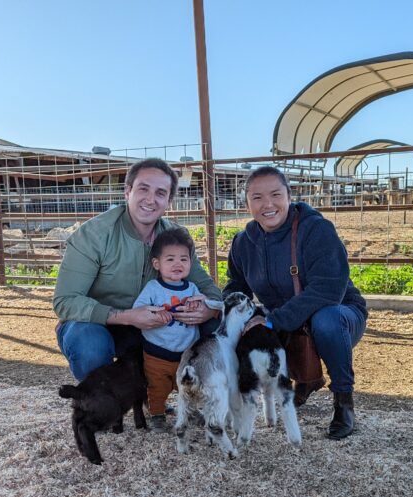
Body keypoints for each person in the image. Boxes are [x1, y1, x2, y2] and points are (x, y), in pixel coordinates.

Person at [224, 166, 368, 440]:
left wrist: (271, 320)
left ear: (290, 195)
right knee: (245, 326)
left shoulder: (316, 230)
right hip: (284, 319)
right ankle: (301, 379)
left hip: (338, 313)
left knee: (325, 320)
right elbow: (235, 285)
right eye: (257, 198)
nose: (268, 204)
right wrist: (228, 311)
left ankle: (343, 402)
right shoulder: (243, 242)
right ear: (247, 203)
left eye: (276, 194)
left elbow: (327, 289)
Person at [53, 158, 221, 382]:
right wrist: (126, 316)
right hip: (99, 323)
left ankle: (191, 398)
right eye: (143, 189)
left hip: (152, 324)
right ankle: (100, 406)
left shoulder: (175, 239)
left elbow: (209, 288)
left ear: (168, 201)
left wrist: (208, 309)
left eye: (161, 193)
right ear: (127, 191)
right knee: (89, 343)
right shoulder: (94, 234)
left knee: (216, 324)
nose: (150, 199)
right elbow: (65, 301)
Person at [132, 228, 207, 433]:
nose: (178, 264)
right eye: (171, 259)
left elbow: (203, 305)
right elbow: (138, 310)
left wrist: (197, 305)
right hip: (157, 353)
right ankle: (157, 415)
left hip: (186, 354)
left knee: (188, 386)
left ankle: (190, 411)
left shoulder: (192, 289)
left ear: (191, 263)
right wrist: (156, 314)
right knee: (157, 387)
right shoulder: (153, 288)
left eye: (184, 259)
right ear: (157, 264)